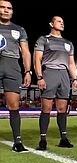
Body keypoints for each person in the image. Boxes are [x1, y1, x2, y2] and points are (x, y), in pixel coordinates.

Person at [34, 16, 77, 150]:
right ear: (51, 24)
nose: (62, 23)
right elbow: (37, 59)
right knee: (46, 108)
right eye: (59, 21)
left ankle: (63, 139)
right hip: (49, 72)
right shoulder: (44, 39)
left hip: (63, 75)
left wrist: (74, 79)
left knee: (62, 109)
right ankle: (43, 140)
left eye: (63, 21)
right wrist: (40, 77)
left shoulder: (68, 43)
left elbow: (71, 63)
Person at [0, 0, 31, 152]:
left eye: (9, 8)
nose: (6, 10)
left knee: (14, 105)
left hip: (12, 65)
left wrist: (27, 71)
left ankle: (17, 142)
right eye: (2, 7)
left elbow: (25, 52)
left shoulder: (19, 29)